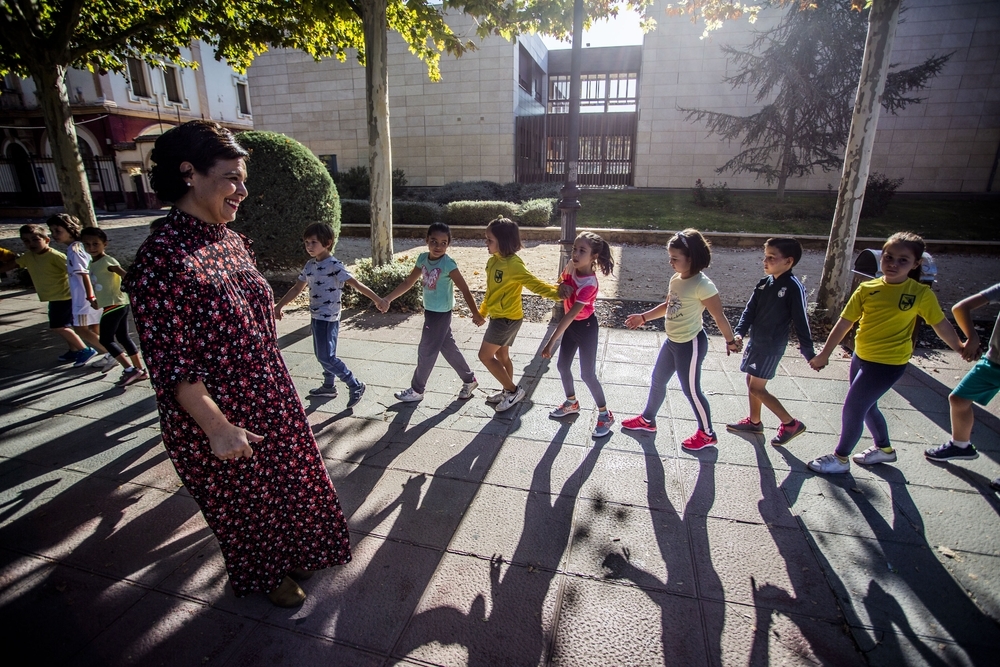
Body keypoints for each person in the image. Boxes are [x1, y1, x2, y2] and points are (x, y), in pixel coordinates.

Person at [123, 120, 351, 607]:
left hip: (269, 391)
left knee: (289, 485)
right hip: (219, 414)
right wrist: (218, 427)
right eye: (232, 177)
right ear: (189, 173)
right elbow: (171, 364)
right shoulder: (160, 260)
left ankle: (291, 551)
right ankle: (265, 574)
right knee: (247, 508)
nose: (242, 191)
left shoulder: (230, 239)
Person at [807, 232, 965, 474]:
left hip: (888, 363)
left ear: (916, 264)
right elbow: (844, 323)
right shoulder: (867, 289)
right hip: (861, 357)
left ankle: (840, 458)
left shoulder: (919, 293)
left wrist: (959, 347)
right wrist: (824, 354)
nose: (893, 264)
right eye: (889, 257)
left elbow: (940, 323)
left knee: (853, 407)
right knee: (868, 407)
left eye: (903, 260)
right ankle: (885, 450)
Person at [622, 228, 739, 451]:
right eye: (670, 257)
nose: (670, 262)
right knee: (657, 379)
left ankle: (707, 434)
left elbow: (718, 316)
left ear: (691, 258)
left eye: (675, 258)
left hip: (691, 344)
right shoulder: (677, 279)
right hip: (672, 342)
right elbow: (669, 305)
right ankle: (648, 420)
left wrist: (730, 340)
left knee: (692, 391)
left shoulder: (703, 285)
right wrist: (643, 317)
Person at [273, 222, 384, 406]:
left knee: (326, 356)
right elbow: (297, 288)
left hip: (329, 318)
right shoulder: (310, 265)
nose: (309, 246)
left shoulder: (334, 265)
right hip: (316, 316)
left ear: (328, 243)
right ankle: (328, 386)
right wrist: (279, 306)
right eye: (306, 242)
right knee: (323, 353)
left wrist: (377, 299)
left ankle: (354, 384)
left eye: (314, 242)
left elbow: (355, 283)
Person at [379, 222, 485, 402]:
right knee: (448, 347)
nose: (438, 246)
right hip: (430, 310)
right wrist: (388, 298)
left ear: (448, 244)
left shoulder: (448, 264)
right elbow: (408, 282)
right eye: (434, 241)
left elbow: (465, 289)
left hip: (441, 313)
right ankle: (469, 380)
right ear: (427, 240)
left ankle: (417, 390)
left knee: (426, 350)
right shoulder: (422, 259)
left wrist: (475, 313)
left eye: (444, 243)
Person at [727, 237, 815, 445]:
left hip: (771, 346)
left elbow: (801, 320)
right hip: (756, 343)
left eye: (771, 258)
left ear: (789, 261)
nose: (765, 262)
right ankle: (755, 422)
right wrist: (739, 333)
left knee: (757, 387)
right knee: (751, 381)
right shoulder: (764, 284)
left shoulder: (793, 287)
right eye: (765, 257)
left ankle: (791, 423)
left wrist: (808, 352)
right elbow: (749, 311)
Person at [478, 217, 561, 412]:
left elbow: (534, 283)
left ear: (503, 242)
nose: (486, 243)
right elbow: (491, 291)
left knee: (485, 355)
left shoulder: (513, 264)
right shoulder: (492, 262)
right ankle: (508, 391)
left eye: (489, 239)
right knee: (501, 354)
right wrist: (482, 312)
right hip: (499, 317)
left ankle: (513, 390)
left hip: (507, 319)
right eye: (486, 238)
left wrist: (558, 294)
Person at [541, 232, 616, 438]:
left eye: (582, 251)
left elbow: (570, 315)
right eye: (575, 248)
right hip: (572, 327)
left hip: (586, 328)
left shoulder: (590, 284)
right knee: (562, 366)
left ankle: (605, 415)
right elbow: (561, 282)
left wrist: (550, 343)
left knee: (587, 374)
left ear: (594, 256)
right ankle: (571, 402)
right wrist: (562, 286)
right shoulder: (571, 266)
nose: (575, 254)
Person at [924, 282, 1000, 464]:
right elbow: (961, 308)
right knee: (958, 399)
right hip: (993, 361)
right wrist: (972, 337)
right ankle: (960, 445)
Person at [0, 225, 88, 361]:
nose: (31, 244)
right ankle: (74, 350)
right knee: (65, 326)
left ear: (47, 240)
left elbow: (74, 270)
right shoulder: (28, 256)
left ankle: (84, 350)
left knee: (57, 327)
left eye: (35, 240)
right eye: (26, 241)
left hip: (64, 296)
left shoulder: (54, 256)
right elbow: (12, 265)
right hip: (54, 297)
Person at [79, 227, 148, 387]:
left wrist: (134, 286)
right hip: (114, 304)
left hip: (115, 304)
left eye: (96, 244)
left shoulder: (107, 261)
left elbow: (123, 274)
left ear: (105, 244)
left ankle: (130, 369)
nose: (91, 248)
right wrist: (95, 299)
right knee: (123, 336)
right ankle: (140, 369)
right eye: (87, 244)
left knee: (106, 339)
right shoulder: (93, 262)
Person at [46, 213, 107, 367]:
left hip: (84, 296)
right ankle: (108, 354)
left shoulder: (75, 248)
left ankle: (112, 354)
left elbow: (84, 273)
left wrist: (90, 296)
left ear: (70, 229)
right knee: (93, 326)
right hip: (88, 293)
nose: (54, 235)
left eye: (57, 231)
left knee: (80, 328)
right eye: (52, 231)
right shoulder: (79, 246)